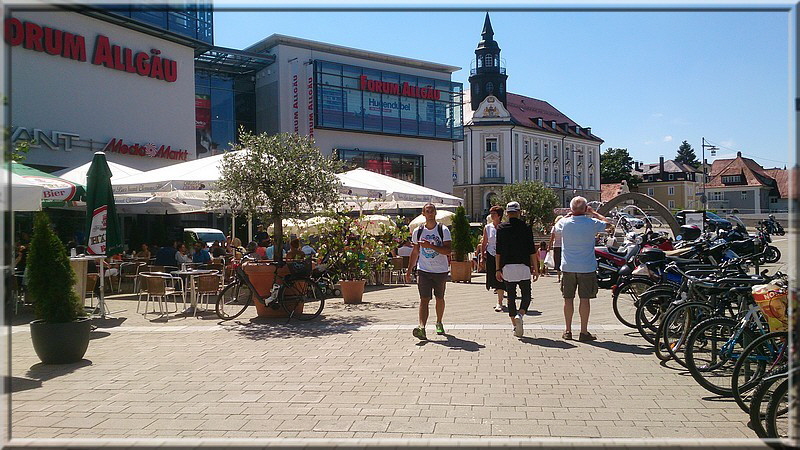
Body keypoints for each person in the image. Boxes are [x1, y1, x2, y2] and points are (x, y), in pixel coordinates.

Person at [555, 196, 613, 342]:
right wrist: (594, 213)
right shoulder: (591, 222)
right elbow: (609, 225)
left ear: (572, 209)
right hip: (586, 267)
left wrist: (569, 215)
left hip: (568, 266)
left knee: (568, 299)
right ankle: (583, 331)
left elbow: (555, 228)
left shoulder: (564, 222)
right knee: (584, 299)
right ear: (585, 208)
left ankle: (568, 330)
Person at [406, 202, 452, 340]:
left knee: (439, 298)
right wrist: (409, 270)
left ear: (435, 213)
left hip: (440, 270)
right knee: (424, 299)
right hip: (424, 270)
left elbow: (448, 251)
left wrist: (430, 246)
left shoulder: (443, 230)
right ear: (423, 214)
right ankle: (422, 327)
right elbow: (415, 252)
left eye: (432, 211)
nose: (430, 213)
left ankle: (439, 321)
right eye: (427, 211)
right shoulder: (418, 231)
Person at [495, 201, 539, 337]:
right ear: (519, 212)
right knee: (526, 294)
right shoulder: (526, 227)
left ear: (507, 214)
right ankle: (521, 314)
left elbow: (498, 251)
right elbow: (532, 250)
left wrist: (497, 269)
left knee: (511, 297)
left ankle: (515, 324)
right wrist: (536, 268)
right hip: (524, 265)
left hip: (508, 266)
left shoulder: (501, 228)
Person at [482, 205, 505, 312]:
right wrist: (482, 255)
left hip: (502, 255)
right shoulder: (488, 227)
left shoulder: (504, 227)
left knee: (501, 276)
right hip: (491, 254)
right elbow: (484, 241)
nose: (491, 215)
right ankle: (499, 298)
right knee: (493, 277)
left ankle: (500, 302)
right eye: (491, 213)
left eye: (494, 214)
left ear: (499, 215)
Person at [548, 215, 564, 282]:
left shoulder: (555, 227)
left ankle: (559, 277)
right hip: (564, 246)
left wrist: (549, 246)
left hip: (556, 246)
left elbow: (552, 238)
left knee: (557, 261)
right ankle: (563, 277)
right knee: (563, 261)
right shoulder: (565, 227)